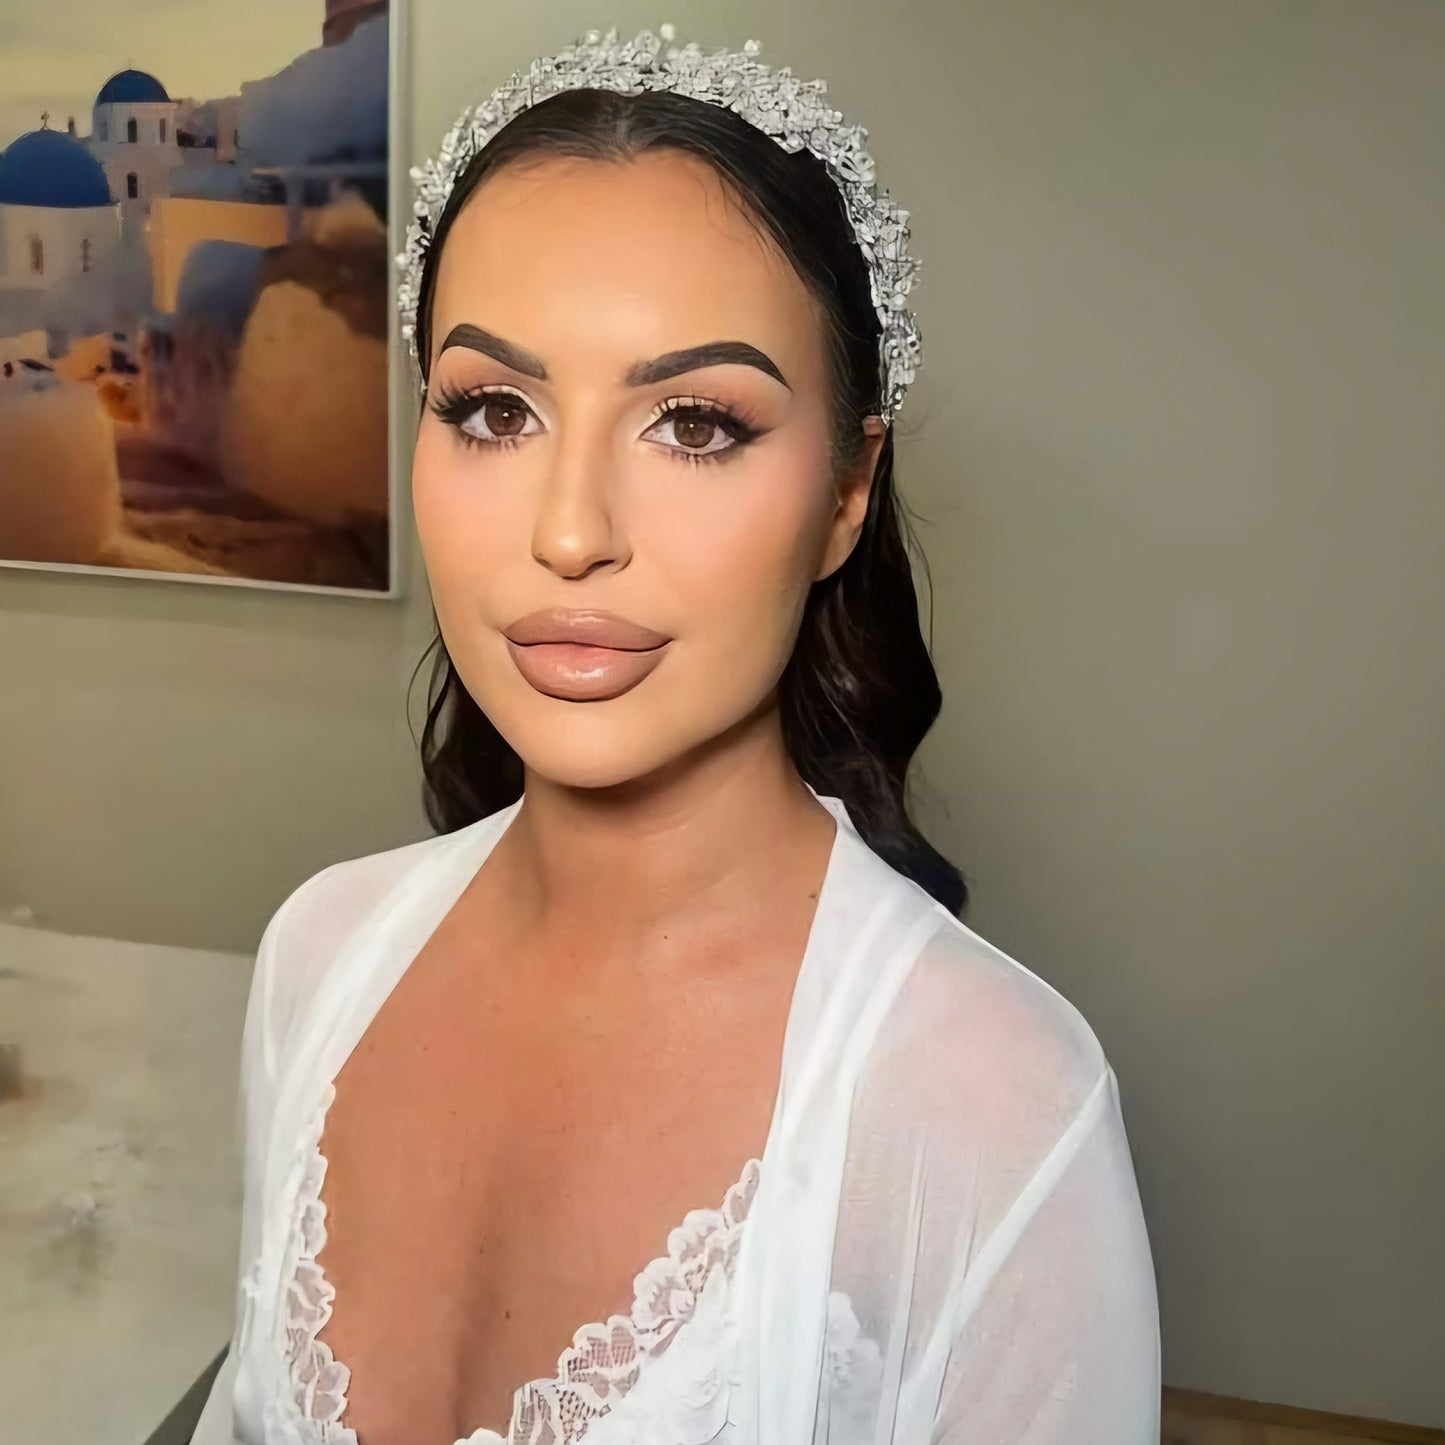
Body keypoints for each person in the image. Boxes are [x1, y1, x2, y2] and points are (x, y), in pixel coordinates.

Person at [192, 27, 1159, 1445]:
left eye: (696, 423)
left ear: (846, 489)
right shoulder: (316, 958)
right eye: (493, 409)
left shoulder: (989, 1107)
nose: (570, 531)